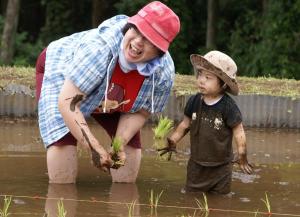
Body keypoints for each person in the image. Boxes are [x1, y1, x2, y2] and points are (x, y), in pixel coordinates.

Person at [35, 1, 180, 184]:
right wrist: (94, 147)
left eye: (149, 40)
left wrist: (119, 142)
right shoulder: (99, 50)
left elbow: (141, 110)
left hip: (112, 94)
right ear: (129, 27)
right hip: (63, 72)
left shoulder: (162, 73)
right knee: (63, 139)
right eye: (136, 31)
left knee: (128, 150)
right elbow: (67, 103)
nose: (137, 42)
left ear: (160, 51)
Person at [158, 51, 253, 194]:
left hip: (222, 168)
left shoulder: (228, 106)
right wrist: (173, 140)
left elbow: (238, 131)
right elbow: (185, 124)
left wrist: (242, 155)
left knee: (220, 201)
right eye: (200, 74)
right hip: (196, 165)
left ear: (223, 85)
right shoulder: (194, 101)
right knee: (192, 197)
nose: (201, 80)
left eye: (208, 77)